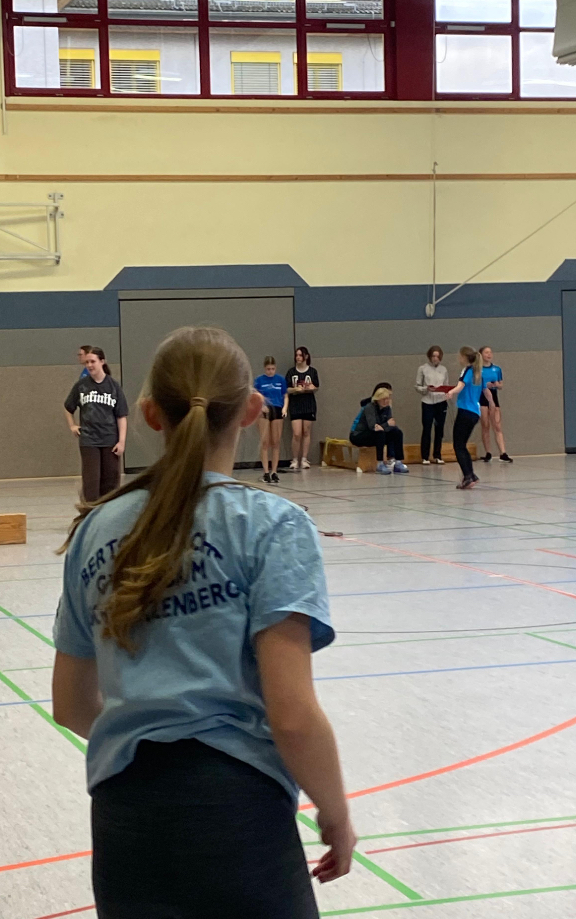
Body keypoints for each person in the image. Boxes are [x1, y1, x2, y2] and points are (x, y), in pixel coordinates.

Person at [52, 326, 355, 919]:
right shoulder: (272, 524)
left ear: (149, 414)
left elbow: (70, 705)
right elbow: (292, 714)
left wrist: (152, 731)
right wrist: (336, 813)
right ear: (252, 410)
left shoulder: (96, 528)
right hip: (238, 811)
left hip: (125, 820)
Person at [64, 348, 128, 504]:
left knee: (110, 483)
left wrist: (121, 442)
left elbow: (121, 416)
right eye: (87, 362)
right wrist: (72, 426)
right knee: (91, 483)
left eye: (93, 361)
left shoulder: (113, 386)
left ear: (102, 362)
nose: (89, 365)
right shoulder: (81, 386)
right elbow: (68, 407)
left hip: (110, 440)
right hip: (89, 440)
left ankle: (109, 512)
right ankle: (90, 512)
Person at [445, 346, 493, 490]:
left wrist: (451, 392)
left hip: (465, 411)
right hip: (475, 413)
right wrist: (492, 404)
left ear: (464, 357)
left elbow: (460, 386)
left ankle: (468, 476)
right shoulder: (479, 372)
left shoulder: (467, 370)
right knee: (462, 444)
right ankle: (471, 475)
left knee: (458, 445)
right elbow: (486, 391)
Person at [349, 386, 408, 475]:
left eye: (387, 399)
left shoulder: (387, 408)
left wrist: (384, 426)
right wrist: (386, 424)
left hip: (377, 433)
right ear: (377, 399)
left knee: (397, 432)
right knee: (380, 433)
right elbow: (373, 426)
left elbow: (391, 425)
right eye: (383, 399)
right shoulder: (369, 407)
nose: (386, 401)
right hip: (359, 435)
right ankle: (380, 463)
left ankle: (398, 462)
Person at [254, 356, 288, 484]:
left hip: (277, 409)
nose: (270, 371)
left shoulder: (280, 379)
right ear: (265, 368)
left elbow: (285, 395)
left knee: (276, 442)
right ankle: (265, 471)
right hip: (265, 410)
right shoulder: (259, 380)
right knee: (265, 442)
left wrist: (285, 408)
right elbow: (255, 396)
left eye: (272, 369)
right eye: (268, 369)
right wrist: (261, 406)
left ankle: (274, 471)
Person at [286, 347, 320, 470]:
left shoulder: (312, 371)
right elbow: (286, 389)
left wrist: (311, 388)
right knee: (296, 433)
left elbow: (316, 387)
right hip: (295, 404)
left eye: (300, 355)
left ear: (306, 356)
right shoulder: (291, 372)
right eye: (297, 355)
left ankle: (304, 459)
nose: (298, 358)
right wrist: (295, 389)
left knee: (306, 432)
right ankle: (295, 459)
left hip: (308, 404)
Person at [415, 346, 449, 465]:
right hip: (427, 402)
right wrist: (426, 389)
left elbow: (446, 385)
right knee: (427, 428)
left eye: (438, 356)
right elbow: (417, 386)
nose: (435, 358)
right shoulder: (422, 368)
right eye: (433, 356)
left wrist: (447, 393)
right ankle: (425, 456)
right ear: (430, 356)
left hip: (441, 401)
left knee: (439, 429)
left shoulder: (444, 369)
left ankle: (437, 455)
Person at [479, 346, 512, 463]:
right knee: (485, 425)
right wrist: (485, 385)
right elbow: (475, 384)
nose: (489, 354)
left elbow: (501, 385)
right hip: (482, 397)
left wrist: (496, 385)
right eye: (486, 352)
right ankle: (488, 452)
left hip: (494, 396)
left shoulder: (497, 369)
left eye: (490, 352)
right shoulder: (477, 369)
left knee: (497, 426)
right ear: (481, 355)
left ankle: (503, 453)